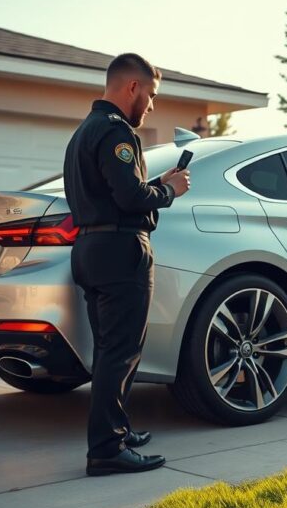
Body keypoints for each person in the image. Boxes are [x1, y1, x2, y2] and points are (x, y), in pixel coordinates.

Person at [62, 53, 191, 476]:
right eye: (150, 95)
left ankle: (116, 430)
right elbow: (130, 200)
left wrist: (156, 184)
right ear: (132, 87)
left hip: (89, 250)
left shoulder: (82, 132)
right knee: (122, 352)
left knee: (109, 351)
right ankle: (106, 450)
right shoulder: (116, 133)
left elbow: (116, 191)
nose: (151, 105)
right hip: (120, 253)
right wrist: (169, 192)